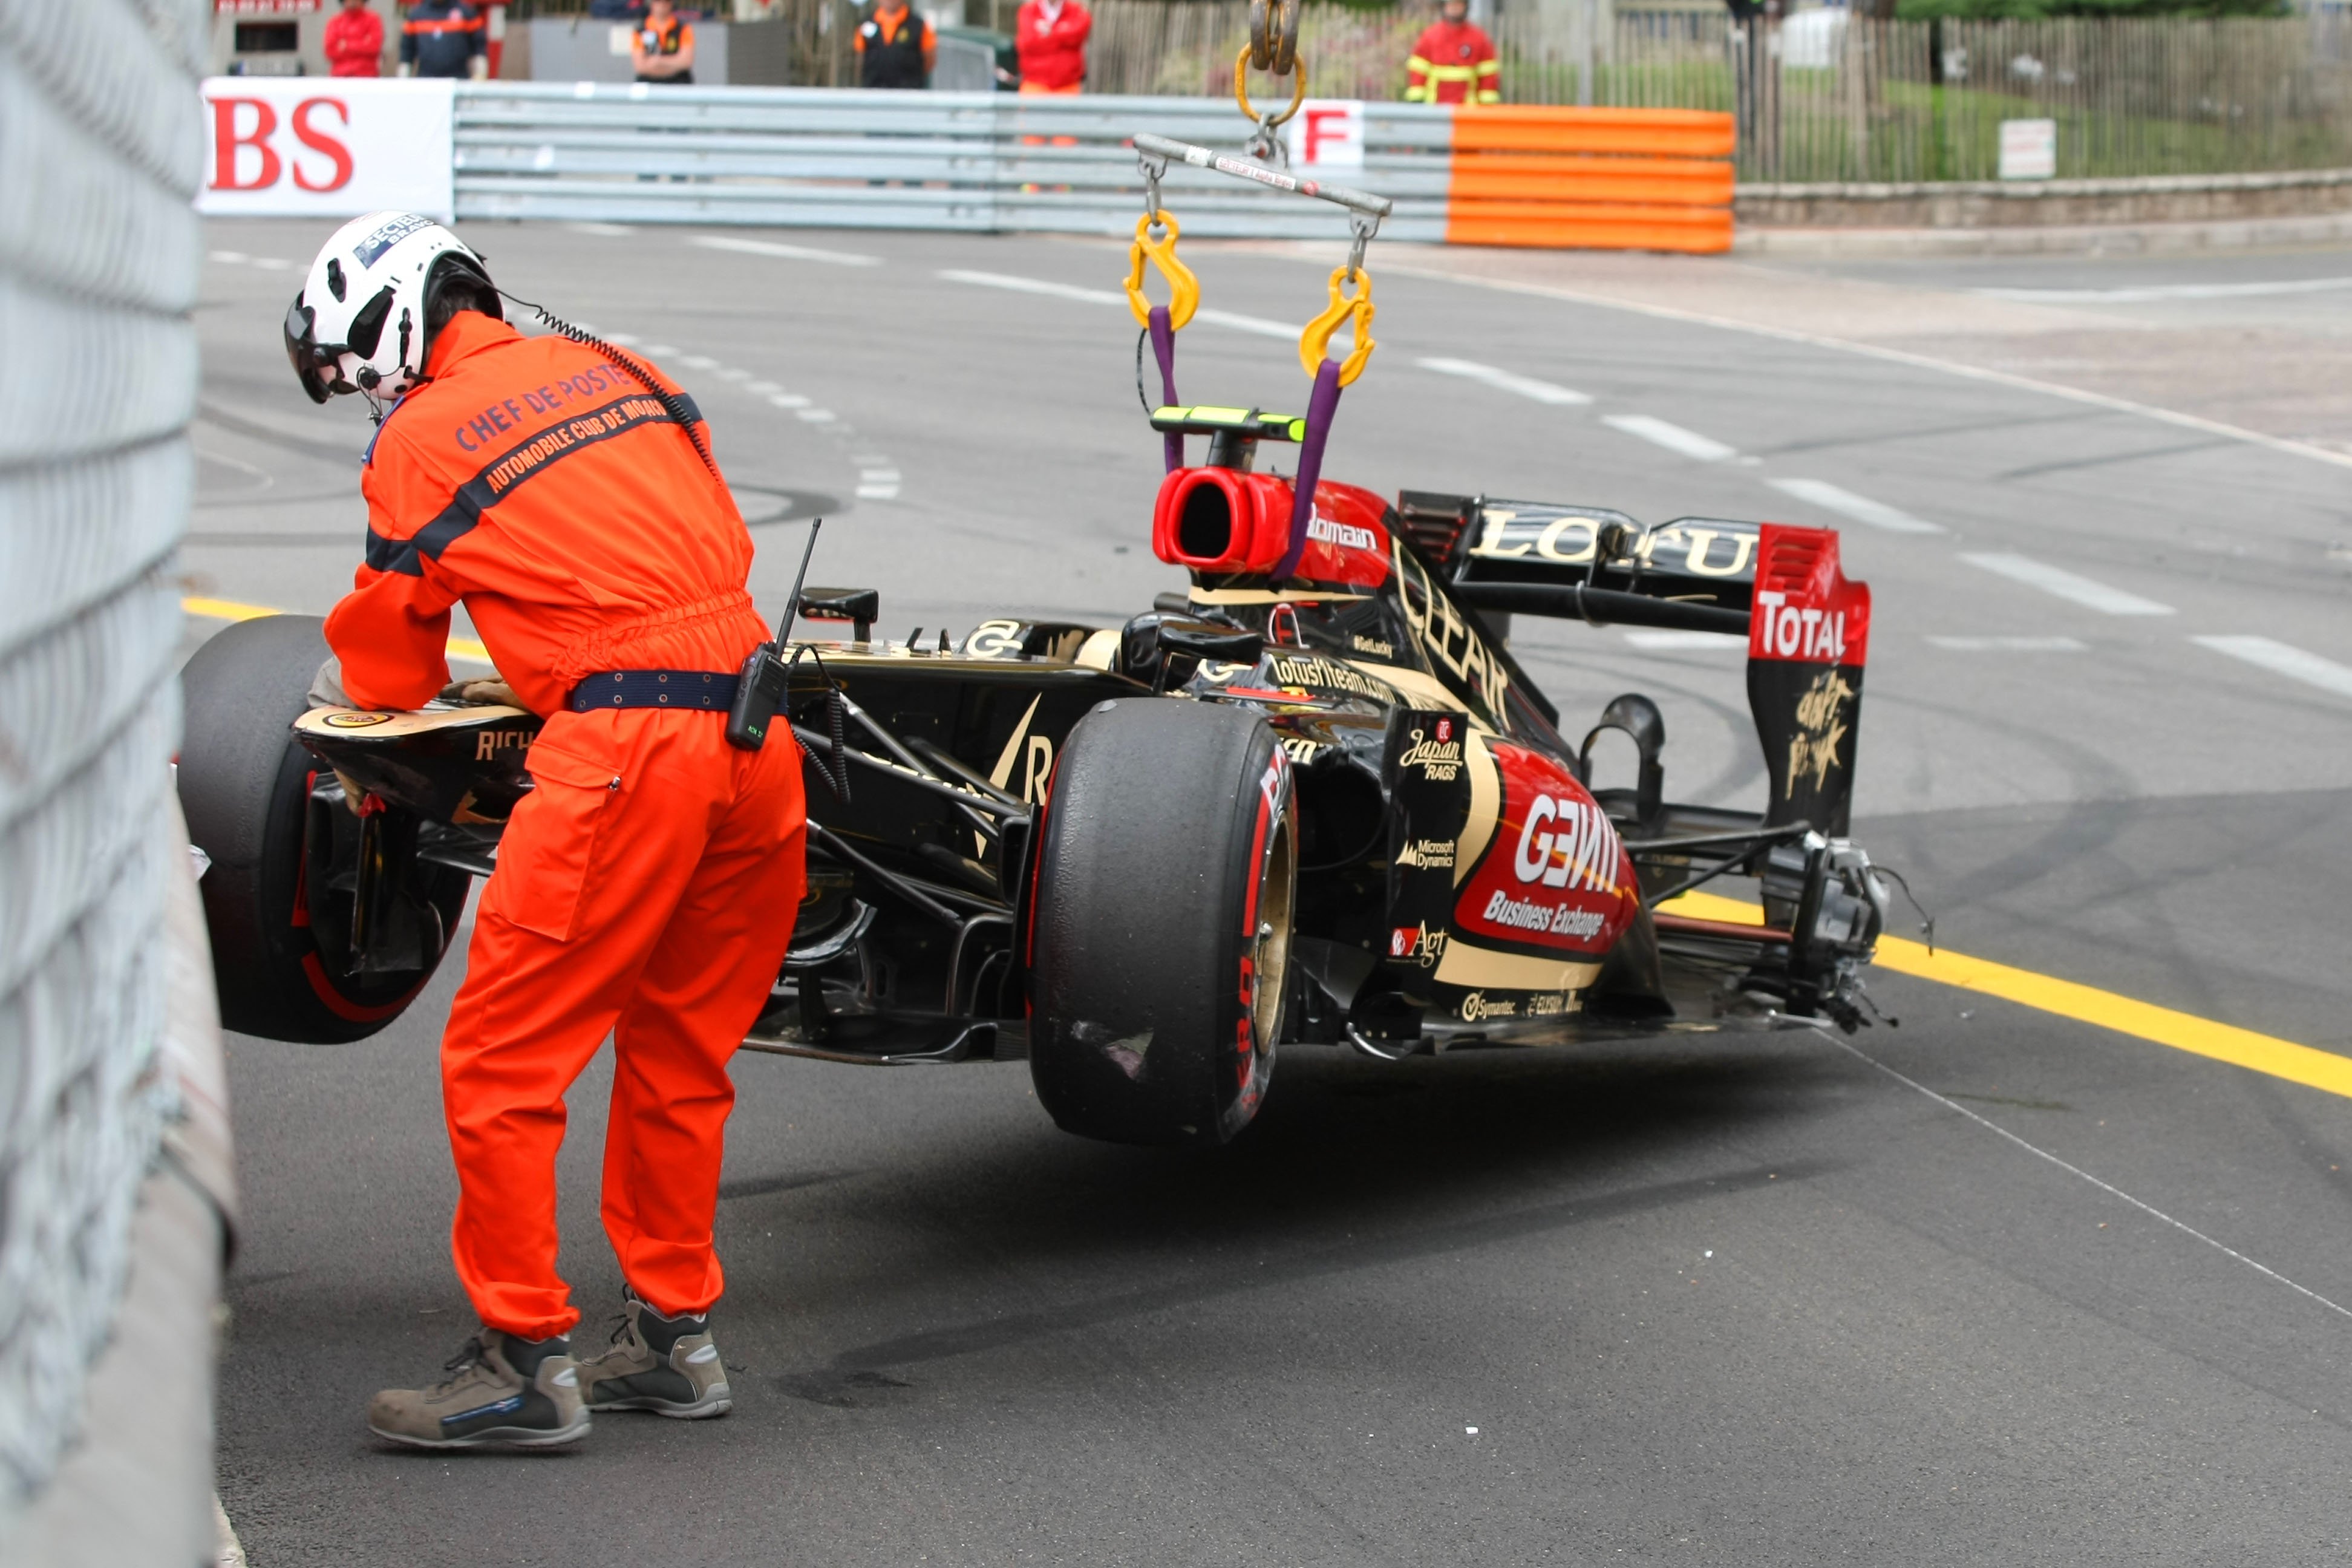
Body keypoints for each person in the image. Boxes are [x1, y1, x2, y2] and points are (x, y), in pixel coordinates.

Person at [282, 211, 808, 1449]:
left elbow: (394, 667)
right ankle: (675, 1341)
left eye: (357, 364)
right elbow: (687, 530)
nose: (364, 391)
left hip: (627, 752)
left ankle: (519, 1362)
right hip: (761, 740)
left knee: (503, 1060)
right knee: (680, 1052)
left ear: (397, 323)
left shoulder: (420, 439)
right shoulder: (627, 369)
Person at [1405, 0, 1499, 106]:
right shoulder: (1430, 37)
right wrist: (1417, 102)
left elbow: (1489, 76)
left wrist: (1487, 108)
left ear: (1466, 7)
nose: (1454, 8)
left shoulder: (1479, 38)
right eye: (1451, 4)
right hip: (1434, 110)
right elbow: (1418, 71)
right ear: (1444, 6)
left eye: (1458, 4)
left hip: (1468, 112)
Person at [854, 0, 934, 90]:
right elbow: (860, 58)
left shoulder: (919, 25)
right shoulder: (866, 24)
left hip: (909, 94)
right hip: (874, 93)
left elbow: (929, 60)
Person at [399, 0, 488, 79]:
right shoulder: (415, 16)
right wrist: (402, 84)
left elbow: (479, 50)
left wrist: (480, 77)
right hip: (426, 83)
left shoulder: (467, 14)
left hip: (459, 82)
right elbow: (406, 55)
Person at [1014, 0, 1088, 95]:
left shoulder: (1077, 11)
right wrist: (1063, 36)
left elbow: (1077, 35)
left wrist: (1051, 32)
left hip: (1068, 86)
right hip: (1035, 85)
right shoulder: (1028, 11)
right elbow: (1028, 42)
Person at [631, 0, 695, 84]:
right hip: (648, 81)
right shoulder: (640, 30)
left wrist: (657, 62)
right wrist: (674, 62)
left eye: (666, 2)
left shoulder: (683, 28)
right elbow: (640, 66)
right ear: (651, 4)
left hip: (679, 81)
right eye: (658, 1)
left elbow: (686, 61)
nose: (662, 5)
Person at [324, 0, 385, 77]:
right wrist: (362, 44)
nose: (352, 1)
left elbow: (374, 48)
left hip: (366, 78)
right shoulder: (335, 22)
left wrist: (347, 46)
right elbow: (330, 51)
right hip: (340, 77)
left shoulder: (373, 20)